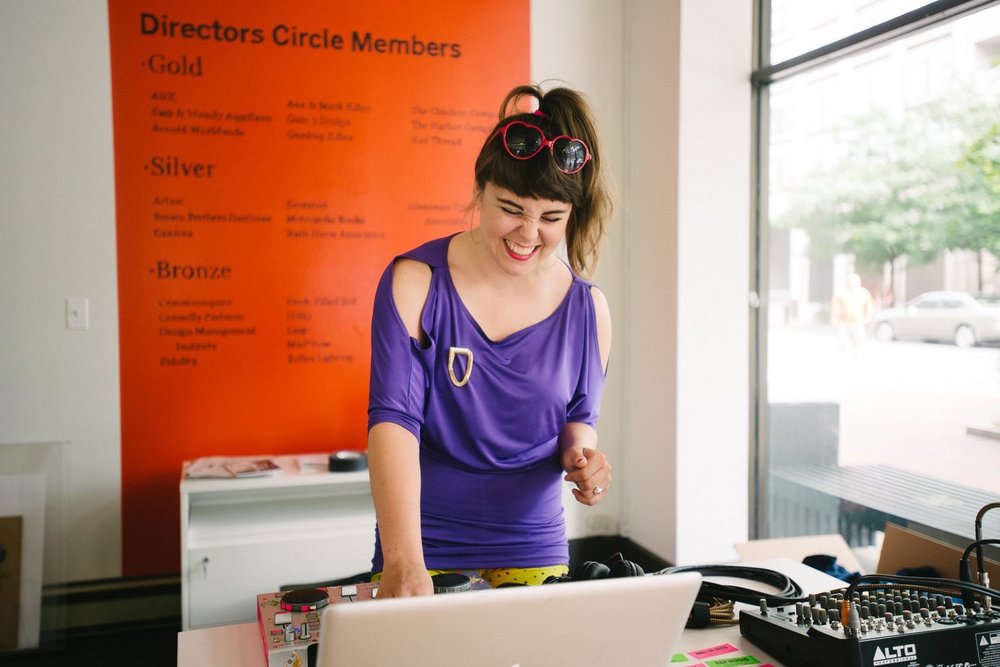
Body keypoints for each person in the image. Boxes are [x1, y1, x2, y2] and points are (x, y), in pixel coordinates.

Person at [366, 84, 614, 598]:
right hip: (422, 541)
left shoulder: (588, 309)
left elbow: (578, 421)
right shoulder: (416, 281)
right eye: (511, 208)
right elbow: (393, 422)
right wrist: (405, 560)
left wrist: (584, 459)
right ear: (479, 189)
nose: (527, 234)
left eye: (551, 218)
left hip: (533, 544)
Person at [830, 272, 874, 353]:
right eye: (850, 282)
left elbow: (869, 306)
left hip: (858, 322)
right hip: (844, 323)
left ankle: (857, 356)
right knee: (842, 342)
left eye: (854, 282)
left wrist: (868, 318)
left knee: (860, 342)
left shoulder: (864, 293)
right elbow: (835, 307)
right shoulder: (841, 293)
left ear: (859, 283)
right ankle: (846, 355)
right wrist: (833, 321)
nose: (852, 284)